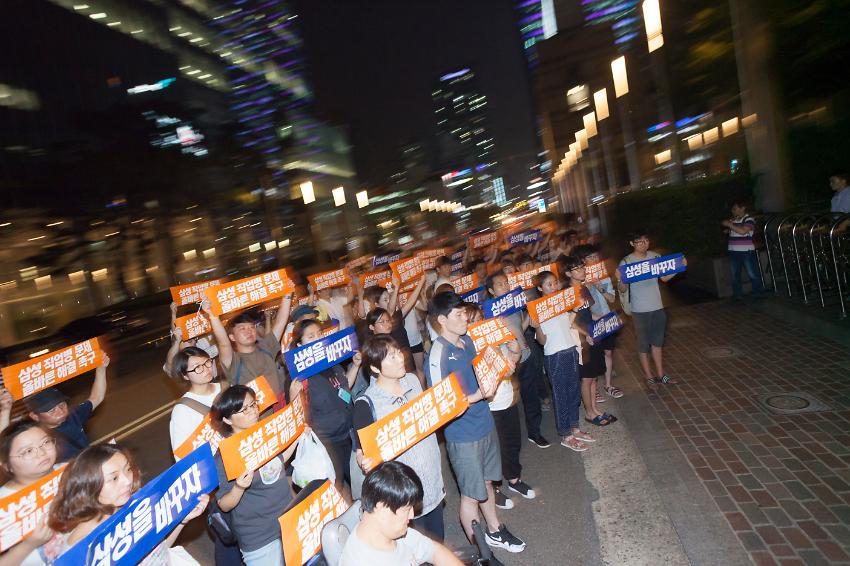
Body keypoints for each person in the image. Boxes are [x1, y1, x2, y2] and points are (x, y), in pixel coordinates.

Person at [425, 291, 525, 553]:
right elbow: (441, 406)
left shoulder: (467, 340)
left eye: (464, 312)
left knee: (488, 484)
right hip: (463, 435)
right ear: (441, 320)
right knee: (470, 494)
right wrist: (479, 395)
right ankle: (483, 553)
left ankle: (494, 529)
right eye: (458, 315)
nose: (465, 318)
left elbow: (485, 372)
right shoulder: (438, 355)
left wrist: (509, 358)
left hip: (484, 423)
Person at [48, 443, 208, 564]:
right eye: (114, 478)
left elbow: (157, 551)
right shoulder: (82, 550)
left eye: (128, 469)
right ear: (88, 487)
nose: (127, 481)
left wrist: (182, 520)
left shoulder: (132, 505)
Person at [353, 335, 446, 541]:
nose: (400, 358)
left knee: (437, 542)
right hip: (405, 498)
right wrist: (365, 461)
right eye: (391, 357)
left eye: (398, 353)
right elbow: (362, 452)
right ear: (376, 368)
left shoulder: (413, 380)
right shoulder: (366, 404)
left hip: (432, 482)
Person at [210, 385, 300, 566]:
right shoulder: (226, 456)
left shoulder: (263, 433)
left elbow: (278, 462)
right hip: (260, 537)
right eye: (244, 409)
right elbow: (224, 505)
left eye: (253, 405)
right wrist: (239, 487)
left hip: (289, 519)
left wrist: (298, 437)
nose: (253, 411)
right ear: (228, 419)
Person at [462, 304, 536, 511]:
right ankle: (493, 489)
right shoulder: (465, 348)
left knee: (512, 442)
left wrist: (513, 347)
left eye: (478, 318)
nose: (475, 324)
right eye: (470, 320)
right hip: (487, 406)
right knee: (491, 452)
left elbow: (513, 362)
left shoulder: (496, 339)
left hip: (506, 399)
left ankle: (514, 478)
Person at [289, 319, 360, 501]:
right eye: (311, 336)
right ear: (299, 345)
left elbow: (344, 389)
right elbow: (295, 414)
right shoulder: (300, 377)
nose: (317, 339)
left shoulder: (333, 362)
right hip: (327, 442)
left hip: (349, 434)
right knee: (336, 488)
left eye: (320, 334)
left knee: (358, 480)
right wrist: (293, 395)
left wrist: (356, 365)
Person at [340, 461, 462, 566]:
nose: (412, 515)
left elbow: (435, 551)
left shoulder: (392, 531)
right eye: (406, 509)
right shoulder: (360, 561)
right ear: (382, 508)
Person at [484, 271, 549, 449]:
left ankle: (534, 433)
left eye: (506, 282)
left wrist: (530, 314)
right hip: (508, 363)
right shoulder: (488, 312)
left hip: (525, 356)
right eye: (500, 284)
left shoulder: (514, 305)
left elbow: (520, 328)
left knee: (531, 396)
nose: (505, 286)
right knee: (508, 403)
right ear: (491, 290)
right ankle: (507, 443)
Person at [530, 271, 593, 452]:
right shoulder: (538, 310)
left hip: (570, 350)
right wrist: (538, 325)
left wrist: (574, 309)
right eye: (548, 284)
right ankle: (566, 434)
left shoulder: (560, 302)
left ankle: (575, 428)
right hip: (555, 355)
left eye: (555, 283)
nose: (554, 286)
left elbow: (568, 323)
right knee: (561, 395)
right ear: (540, 288)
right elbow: (542, 341)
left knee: (573, 391)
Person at [616, 230, 686, 391]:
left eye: (646, 240)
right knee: (643, 344)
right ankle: (649, 376)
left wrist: (679, 267)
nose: (644, 244)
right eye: (639, 241)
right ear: (632, 244)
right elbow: (622, 288)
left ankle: (661, 374)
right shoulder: (626, 262)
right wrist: (620, 279)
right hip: (639, 310)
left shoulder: (654, 257)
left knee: (658, 342)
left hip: (658, 307)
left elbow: (664, 278)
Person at [204, 293, 292, 401]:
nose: (249, 331)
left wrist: (287, 295)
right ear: (232, 337)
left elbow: (280, 322)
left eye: (251, 327)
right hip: (258, 415)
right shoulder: (233, 361)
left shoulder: (266, 346)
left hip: (282, 408)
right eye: (242, 329)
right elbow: (223, 344)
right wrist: (213, 316)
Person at [561, 256, 616, 427]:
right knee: (586, 378)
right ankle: (590, 413)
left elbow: (589, 313)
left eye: (582, 267)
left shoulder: (583, 288)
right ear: (568, 273)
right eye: (577, 269)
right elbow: (569, 321)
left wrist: (607, 320)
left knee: (593, 377)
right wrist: (587, 334)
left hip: (592, 334)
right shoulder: (566, 293)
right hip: (581, 340)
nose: (582, 271)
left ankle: (594, 409)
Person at [0, 421, 64, 566]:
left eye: (46, 442)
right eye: (28, 451)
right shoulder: (4, 504)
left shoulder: (69, 472)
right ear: (7, 466)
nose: (41, 453)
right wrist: (28, 545)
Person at [25, 354, 110, 462]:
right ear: (35, 416)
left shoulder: (73, 415)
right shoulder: (35, 439)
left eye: (62, 405)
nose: (60, 412)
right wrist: (5, 409)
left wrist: (101, 368)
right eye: (52, 410)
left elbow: (96, 398)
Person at [572, 245, 622, 399]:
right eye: (590, 257)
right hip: (590, 323)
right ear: (582, 261)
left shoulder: (604, 276)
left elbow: (612, 299)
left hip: (606, 318)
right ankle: (595, 389)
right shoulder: (579, 280)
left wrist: (601, 289)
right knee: (593, 357)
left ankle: (608, 385)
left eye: (596, 256)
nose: (594, 260)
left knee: (608, 352)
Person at [168, 346, 223, 454]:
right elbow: (181, 455)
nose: (206, 369)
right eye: (197, 367)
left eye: (207, 362)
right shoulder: (182, 410)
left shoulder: (225, 388)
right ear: (185, 376)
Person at [722, 200, 766, 301]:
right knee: (735, 275)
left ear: (743, 208)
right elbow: (730, 230)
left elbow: (743, 231)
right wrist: (728, 228)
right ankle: (737, 294)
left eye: (735, 209)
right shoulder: (734, 220)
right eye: (732, 209)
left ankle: (758, 292)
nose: (733, 211)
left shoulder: (749, 219)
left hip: (746, 251)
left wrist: (729, 225)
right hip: (733, 251)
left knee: (752, 273)